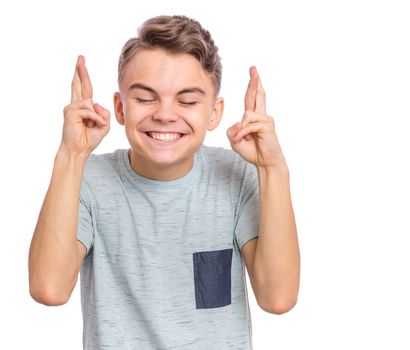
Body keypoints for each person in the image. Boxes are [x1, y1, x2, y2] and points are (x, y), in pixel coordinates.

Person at [28, 15, 300, 349]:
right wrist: (70, 154)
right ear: (120, 108)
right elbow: (49, 289)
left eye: (186, 101)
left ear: (214, 113)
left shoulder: (237, 174)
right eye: (145, 98)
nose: (165, 114)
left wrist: (274, 168)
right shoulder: (87, 179)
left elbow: (278, 297)